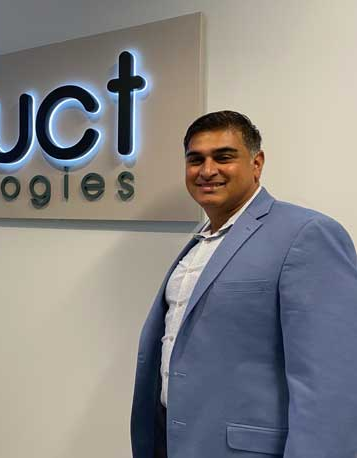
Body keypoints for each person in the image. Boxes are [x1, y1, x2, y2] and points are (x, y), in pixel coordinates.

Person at [130, 111, 357, 458]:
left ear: (257, 163)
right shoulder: (201, 242)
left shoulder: (307, 234)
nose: (207, 170)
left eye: (223, 157)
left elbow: (331, 384)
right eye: (195, 160)